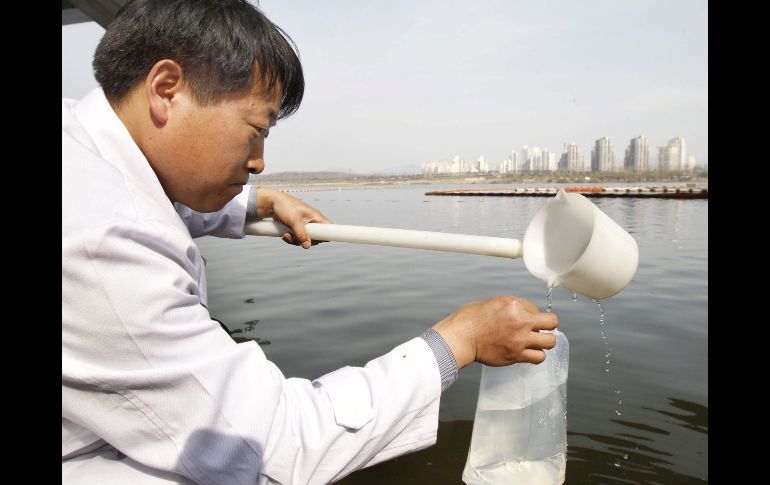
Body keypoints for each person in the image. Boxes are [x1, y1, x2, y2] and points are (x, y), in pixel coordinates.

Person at [61, 1, 559, 483]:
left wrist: (258, 202)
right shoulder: (104, 244)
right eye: (257, 130)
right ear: (167, 89)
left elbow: (150, 200)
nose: (258, 161)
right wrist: (459, 342)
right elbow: (273, 444)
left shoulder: (81, 145)